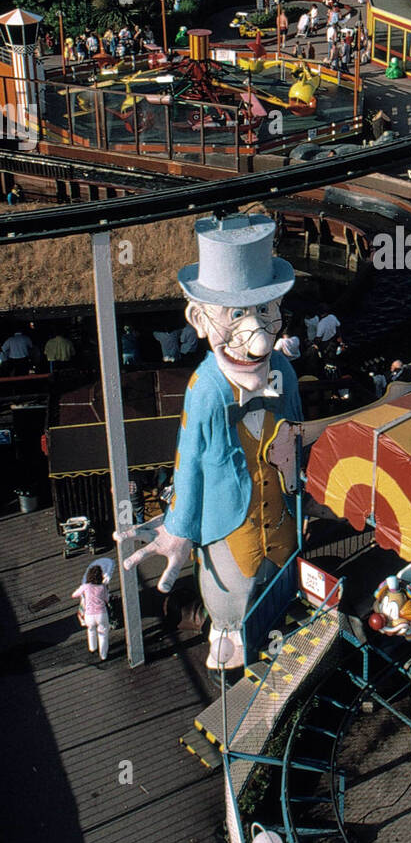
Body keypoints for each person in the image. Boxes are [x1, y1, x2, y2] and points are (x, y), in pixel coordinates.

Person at [117, 215, 302, 671]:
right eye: (238, 314)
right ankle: (225, 627)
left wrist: (309, 487)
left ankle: (276, 618)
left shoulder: (286, 373)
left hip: (279, 514)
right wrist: (179, 528)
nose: (257, 335)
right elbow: (190, 462)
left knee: (279, 579)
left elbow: (298, 432)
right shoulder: (206, 388)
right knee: (230, 589)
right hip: (227, 524)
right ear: (200, 319)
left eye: (265, 311)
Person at [72, 563, 110, 662]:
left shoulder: (86, 586)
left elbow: (74, 595)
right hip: (101, 614)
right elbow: (106, 600)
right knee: (103, 634)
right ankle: (103, 655)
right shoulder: (103, 587)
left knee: (91, 630)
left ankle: (92, 648)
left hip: (89, 615)